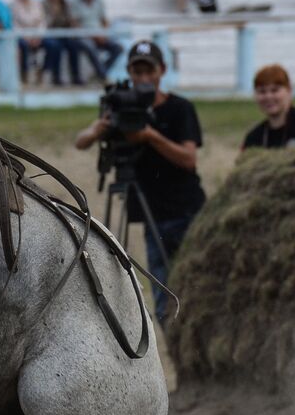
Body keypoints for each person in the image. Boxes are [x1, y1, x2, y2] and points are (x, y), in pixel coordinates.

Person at [74, 40, 205, 319]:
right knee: (163, 299)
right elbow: (80, 142)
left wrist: (149, 137)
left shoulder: (180, 108)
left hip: (186, 212)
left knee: (196, 289)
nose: (144, 79)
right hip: (152, 217)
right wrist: (99, 128)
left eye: (150, 71)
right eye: (138, 72)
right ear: (130, 73)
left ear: (162, 71)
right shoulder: (119, 106)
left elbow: (188, 159)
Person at [71, 0, 121, 81]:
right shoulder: (74, 3)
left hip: (99, 35)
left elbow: (104, 21)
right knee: (89, 46)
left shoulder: (99, 2)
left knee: (118, 48)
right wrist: (92, 35)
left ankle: (100, 73)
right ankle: (103, 76)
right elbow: (75, 24)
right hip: (83, 37)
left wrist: (104, 34)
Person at [41, 0, 83, 86]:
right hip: (50, 36)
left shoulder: (66, 5)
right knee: (56, 46)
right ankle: (56, 77)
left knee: (74, 45)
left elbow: (70, 20)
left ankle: (75, 76)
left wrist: (73, 23)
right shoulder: (44, 5)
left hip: (64, 35)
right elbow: (47, 23)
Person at [10, 0, 44, 83]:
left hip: (37, 36)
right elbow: (14, 24)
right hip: (22, 36)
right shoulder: (13, 5)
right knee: (22, 45)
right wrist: (26, 37)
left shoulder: (37, 4)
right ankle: (24, 74)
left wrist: (38, 36)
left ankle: (42, 72)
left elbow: (42, 22)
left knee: (53, 45)